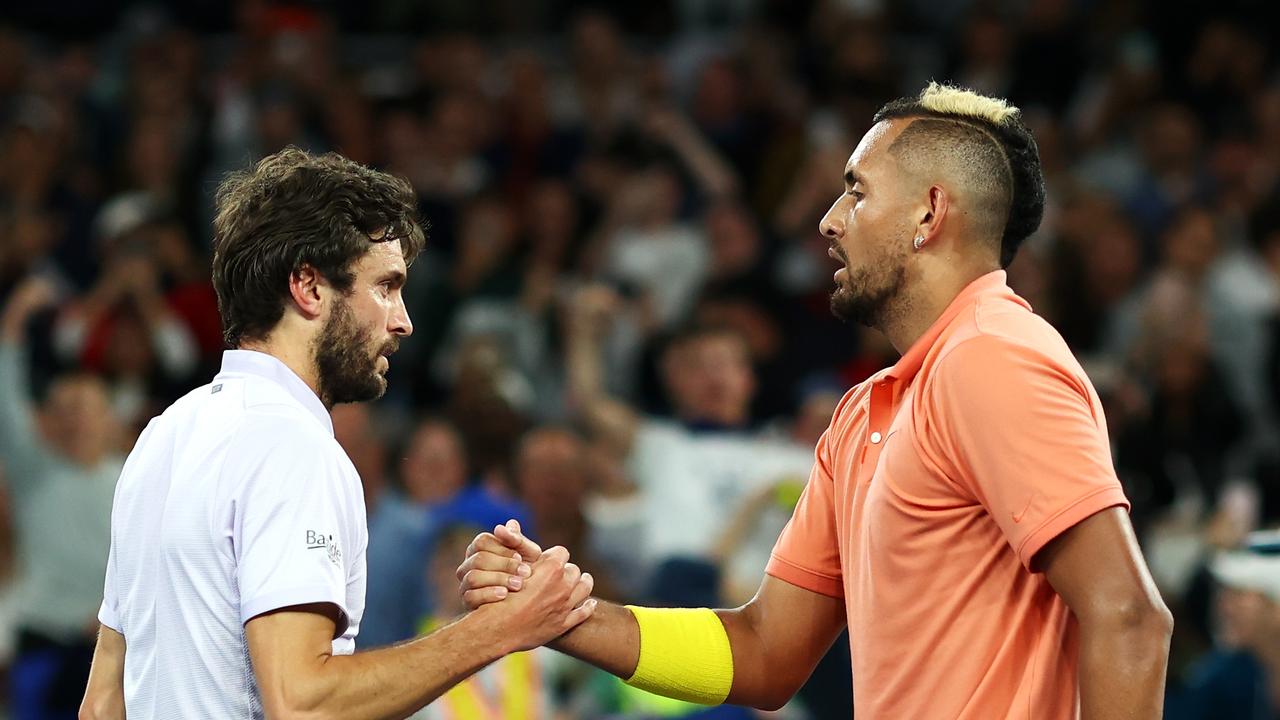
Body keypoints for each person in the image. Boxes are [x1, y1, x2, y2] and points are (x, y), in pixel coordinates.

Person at [459, 83, 1174, 718]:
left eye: (857, 191)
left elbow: (1129, 616)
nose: (830, 220)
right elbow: (765, 651)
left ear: (929, 214)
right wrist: (558, 614)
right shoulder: (864, 410)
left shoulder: (995, 358)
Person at [80, 148, 596, 720]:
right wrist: (496, 632)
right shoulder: (293, 447)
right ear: (309, 286)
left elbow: (103, 705)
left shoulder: (162, 434)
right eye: (385, 287)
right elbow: (303, 703)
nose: (403, 320)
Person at [0, 277, 123, 718]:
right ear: (47, 421)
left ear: (108, 419)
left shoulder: (131, 479)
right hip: (44, 647)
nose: (75, 419)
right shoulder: (34, 471)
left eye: (85, 408)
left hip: (111, 655)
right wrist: (15, 318)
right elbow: (6, 398)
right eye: (64, 409)